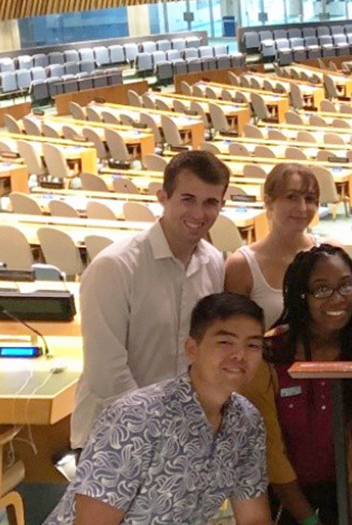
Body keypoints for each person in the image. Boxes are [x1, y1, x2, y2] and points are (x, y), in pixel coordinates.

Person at [45, 293, 270, 525]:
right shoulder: (137, 416)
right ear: (192, 349)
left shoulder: (246, 422)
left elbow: (254, 518)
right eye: (225, 342)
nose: (240, 355)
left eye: (252, 345)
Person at [72, 149, 231, 448]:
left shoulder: (213, 263)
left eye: (210, 203)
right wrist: (155, 431)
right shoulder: (115, 267)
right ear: (163, 197)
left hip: (181, 435)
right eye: (188, 199)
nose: (198, 214)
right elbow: (106, 372)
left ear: (223, 205)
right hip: (115, 439)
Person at [245, 245, 352, 525]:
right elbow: (271, 451)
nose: (337, 299)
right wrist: (309, 520)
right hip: (286, 493)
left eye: (346, 287)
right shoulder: (269, 354)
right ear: (301, 296)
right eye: (321, 290)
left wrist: (346, 516)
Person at [225, 163, 323, 328]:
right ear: (268, 202)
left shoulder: (329, 254)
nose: (302, 208)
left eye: (310, 199)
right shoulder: (241, 266)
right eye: (292, 197)